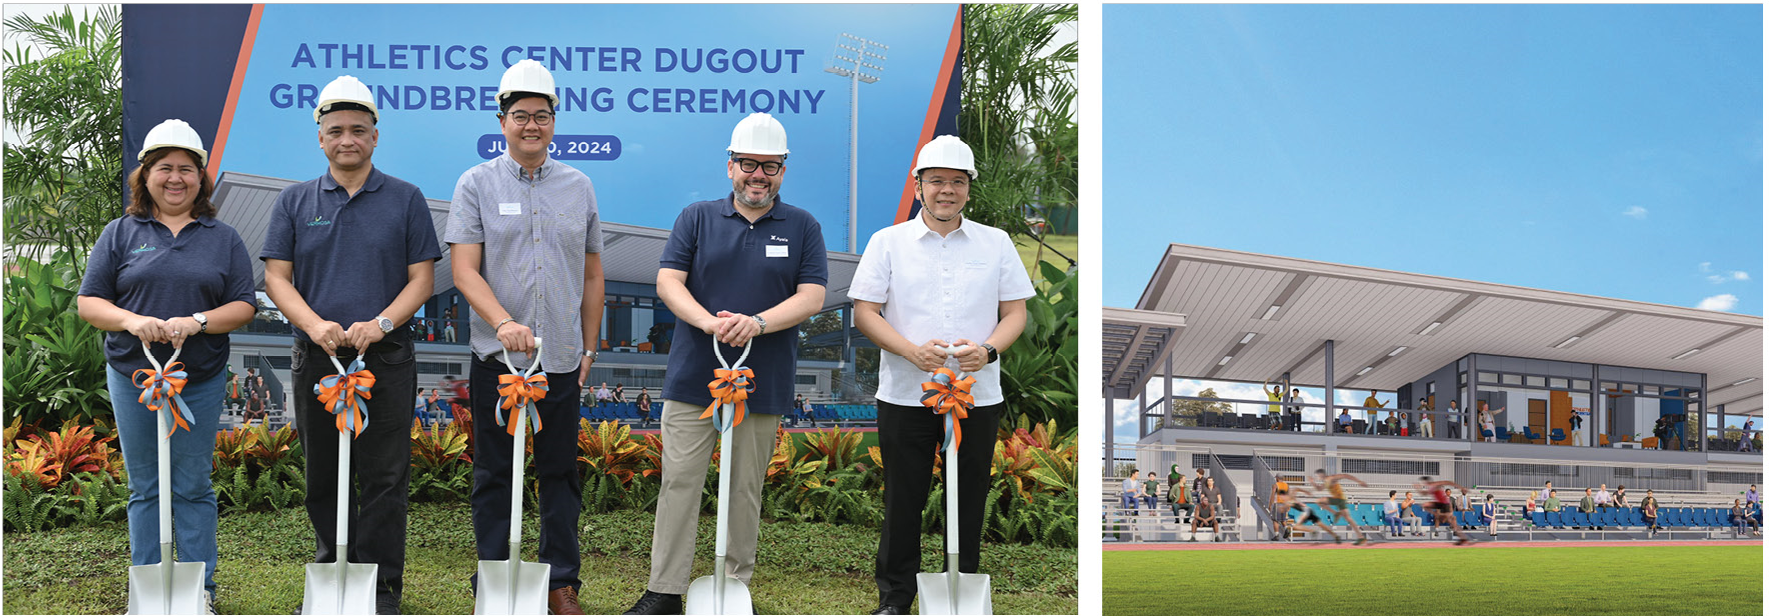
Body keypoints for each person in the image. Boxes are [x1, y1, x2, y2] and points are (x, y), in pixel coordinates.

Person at [625, 112, 828, 616]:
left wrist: (756, 323)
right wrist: (708, 323)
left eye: (770, 166)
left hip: (763, 379)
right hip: (695, 374)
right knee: (679, 482)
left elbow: (812, 296)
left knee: (745, 489)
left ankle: (735, 585)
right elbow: (669, 281)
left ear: (782, 170)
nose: (758, 175)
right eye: (748, 164)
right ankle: (664, 590)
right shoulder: (696, 218)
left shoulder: (803, 226)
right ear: (730, 165)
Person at [262, 75, 441, 614]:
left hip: (386, 358)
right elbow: (277, 278)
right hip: (317, 357)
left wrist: (381, 323)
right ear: (320, 138)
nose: (348, 139)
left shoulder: (406, 198)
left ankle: (381, 589)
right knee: (323, 473)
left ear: (375, 136)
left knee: (385, 477)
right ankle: (330, 575)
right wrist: (315, 325)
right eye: (336, 130)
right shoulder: (294, 201)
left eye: (358, 130)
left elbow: (422, 280)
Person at [446, 59, 605, 615]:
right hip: (498, 359)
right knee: (494, 472)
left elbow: (592, 275)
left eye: (542, 115)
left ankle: (560, 581)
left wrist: (588, 347)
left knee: (559, 472)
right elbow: (464, 270)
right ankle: (494, 575)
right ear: (503, 121)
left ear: (554, 121)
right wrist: (504, 323)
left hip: (559, 358)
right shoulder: (476, 184)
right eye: (521, 115)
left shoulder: (579, 186)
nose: (531, 125)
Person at [77, 119, 256, 613]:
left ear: (200, 178)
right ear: (146, 176)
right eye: (164, 168)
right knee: (146, 486)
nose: (175, 178)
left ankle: (201, 591)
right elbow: (90, 303)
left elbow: (244, 305)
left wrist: (197, 321)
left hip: (198, 379)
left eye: (186, 169)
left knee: (192, 485)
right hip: (133, 377)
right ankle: (150, 591)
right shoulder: (120, 233)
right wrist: (132, 321)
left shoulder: (223, 238)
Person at [850, 135, 1031, 615]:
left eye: (957, 181)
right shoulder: (887, 242)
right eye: (936, 181)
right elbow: (865, 312)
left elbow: (1015, 313)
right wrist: (911, 351)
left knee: (969, 497)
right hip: (905, 394)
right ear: (918, 187)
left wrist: (988, 350)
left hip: (977, 395)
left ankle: (961, 588)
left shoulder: (996, 243)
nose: (946, 190)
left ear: (968, 188)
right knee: (903, 498)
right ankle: (895, 597)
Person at [1310, 469, 1369, 545]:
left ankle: (1335, 513)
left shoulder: (1332, 478)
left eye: (1317, 476)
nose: (1317, 477)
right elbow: (1319, 489)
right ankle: (1361, 537)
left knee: (1319, 501)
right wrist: (1313, 483)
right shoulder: (1326, 481)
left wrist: (1359, 481)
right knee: (1349, 519)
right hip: (1339, 500)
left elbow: (1345, 475)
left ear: (1321, 474)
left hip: (1339, 499)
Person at [1417, 476, 1473, 545]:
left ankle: (1463, 538)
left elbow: (1448, 482)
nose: (1424, 485)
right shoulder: (1430, 487)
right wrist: (1418, 488)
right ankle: (1436, 514)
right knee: (1424, 505)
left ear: (1426, 481)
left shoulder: (1436, 484)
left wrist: (1461, 487)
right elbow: (1424, 493)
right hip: (1440, 504)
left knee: (1451, 521)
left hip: (1445, 504)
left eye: (1424, 483)